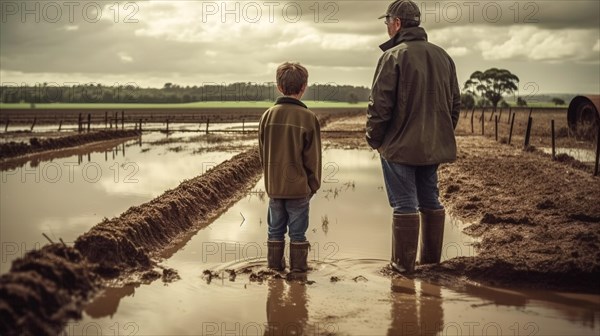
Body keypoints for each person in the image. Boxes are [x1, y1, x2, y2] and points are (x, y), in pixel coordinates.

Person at [366, 0, 460, 273]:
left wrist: (376, 140)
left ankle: (402, 267)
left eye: (387, 23)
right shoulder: (444, 56)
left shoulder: (392, 56)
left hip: (399, 147)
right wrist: (440, 134)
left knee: (405, 203)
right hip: (432, 146)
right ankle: (431, 265)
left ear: (396, 24)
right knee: (430, 199)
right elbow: (455, 104)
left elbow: (379, 106)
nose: (386, 28)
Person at [259, 62, 322, 273]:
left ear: (278, 86)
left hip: (275, 187)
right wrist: (313, 185)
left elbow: (262, 153)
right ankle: (298, 275)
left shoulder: (267, 116)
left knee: (274, 231)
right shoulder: (308, 118)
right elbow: (313, 159)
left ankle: (274, 271)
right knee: (298, 234)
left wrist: (271, 179)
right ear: (304, 87)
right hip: (299, 190)